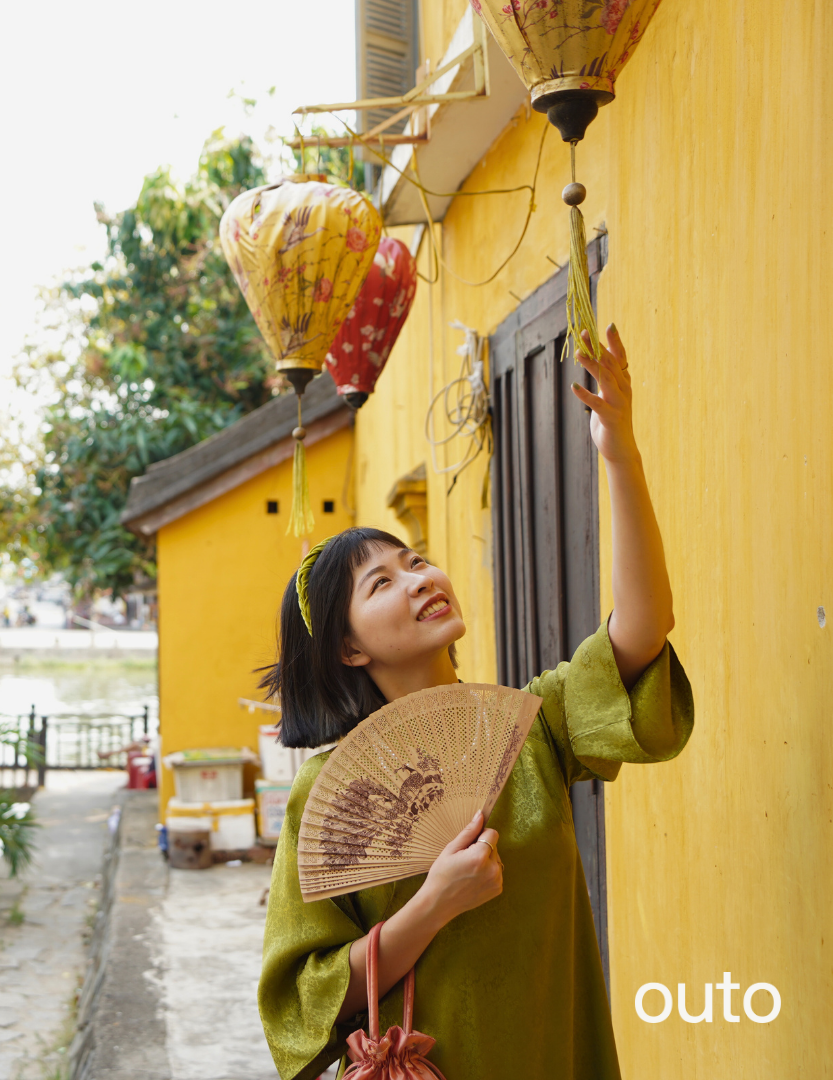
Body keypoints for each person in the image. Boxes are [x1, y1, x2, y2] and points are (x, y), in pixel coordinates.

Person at [257, 327, 694, 1080]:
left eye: (415, 561)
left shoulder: (532, 727)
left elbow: (644, 630)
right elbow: (305, 998)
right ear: (348, 649)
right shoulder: (326, 792)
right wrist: (435, 903)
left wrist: (619, 452)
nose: (420, 579)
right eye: (382, 583)